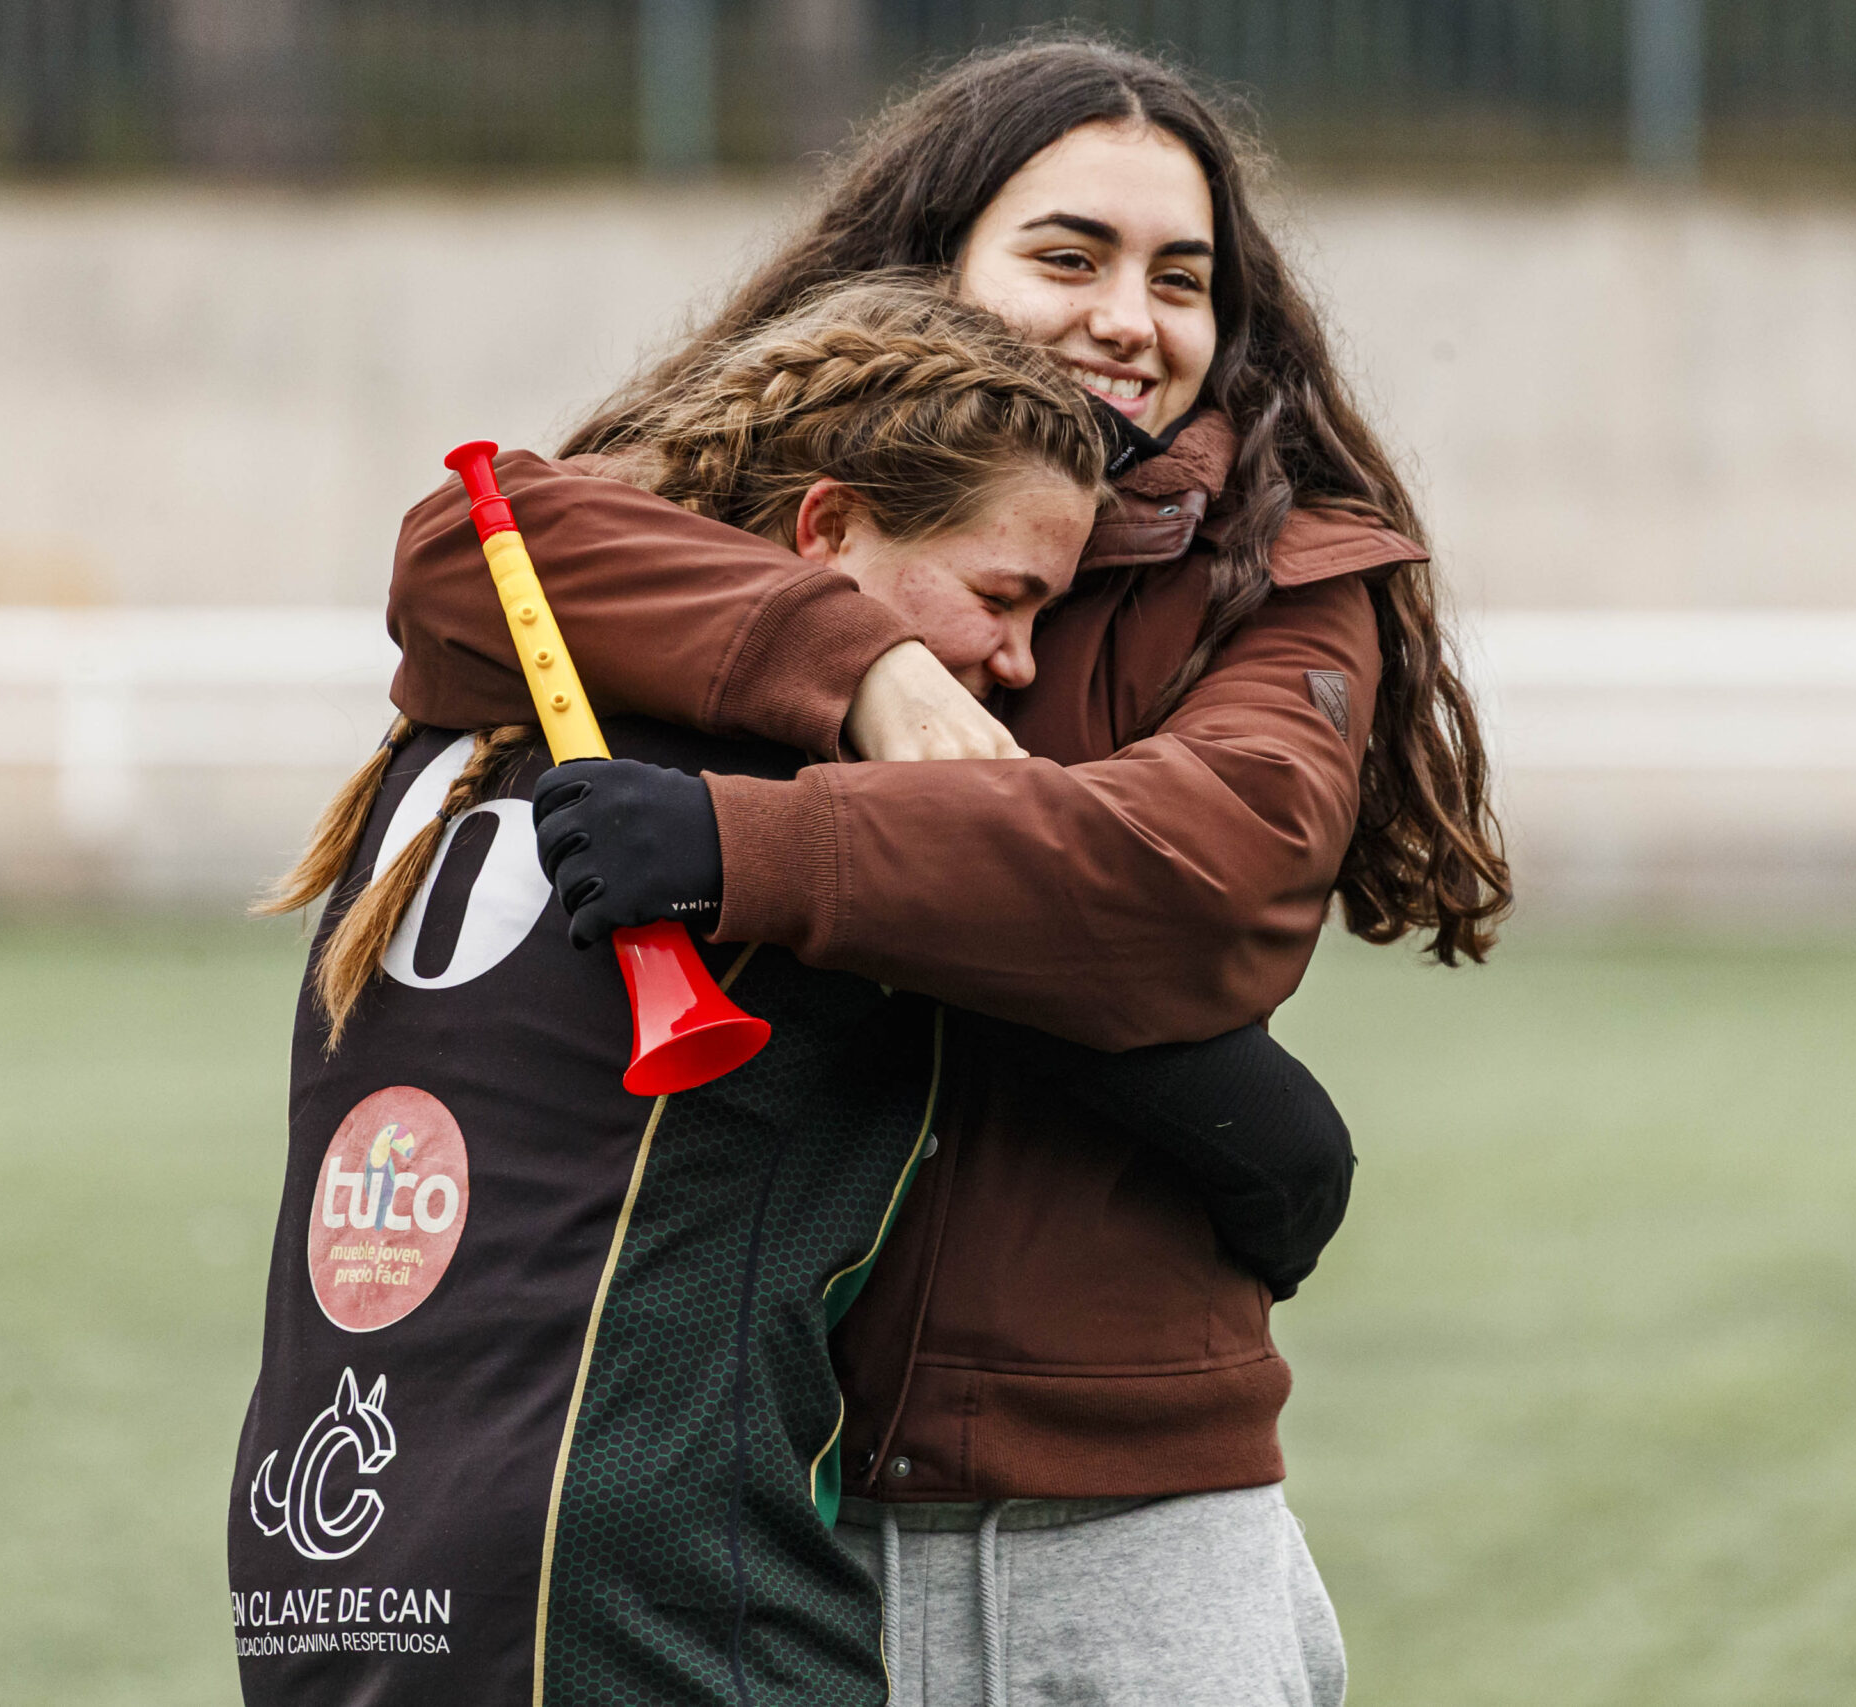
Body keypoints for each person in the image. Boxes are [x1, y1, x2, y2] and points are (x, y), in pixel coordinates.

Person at [386, 37, 1513, 1707]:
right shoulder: (776, 495)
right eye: (1070, 256)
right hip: (762, 1512)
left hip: (1130, 1515)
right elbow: (463, 556)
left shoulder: (1286, 574)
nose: (1130, 318)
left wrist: (743, 849)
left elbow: (1195, 881)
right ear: (930, 264)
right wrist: (862, 664)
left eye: (1181, 279)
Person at [230, 278, 1356, 1707]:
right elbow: (1282, 1152)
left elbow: (473, 533)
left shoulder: (463, 722)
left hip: (324, 1564)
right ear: (826, 531)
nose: (1016, 662)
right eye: (1002, 599)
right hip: (636, 1593)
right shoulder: (773, 797)